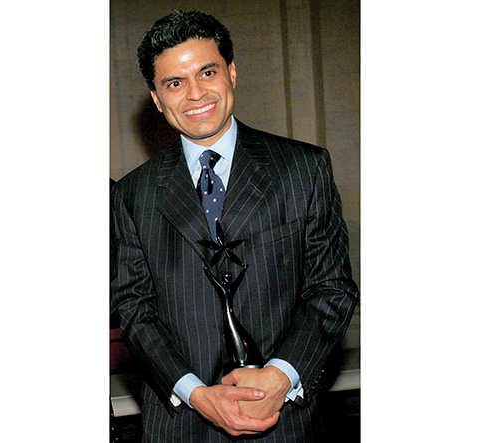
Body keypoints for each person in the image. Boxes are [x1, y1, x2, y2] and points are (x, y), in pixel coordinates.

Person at [111, 10, 359, 442]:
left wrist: (280, 377)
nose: (195, 94)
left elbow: (332, 288)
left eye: (207, 72)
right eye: (175, 83)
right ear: (157, 98)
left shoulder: (303, 168)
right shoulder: (134, 193)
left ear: (232, 73)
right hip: (180, 425)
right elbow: (134, 308)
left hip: (286, 421)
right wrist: (196, 393)